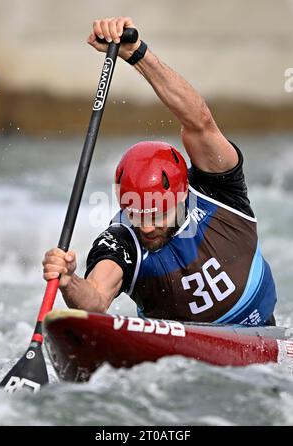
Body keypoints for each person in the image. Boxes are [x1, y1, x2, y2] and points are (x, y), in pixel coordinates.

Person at [42, 16, 277, 326]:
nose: (147, 227)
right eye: (137, 214)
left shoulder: (217, 190)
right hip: (177, 360)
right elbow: (97, 299)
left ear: (181, 197)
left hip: (266, 333)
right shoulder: (121, 241)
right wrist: (70, 281)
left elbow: (199, 121)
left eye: (157, 214)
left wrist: (136, 53)